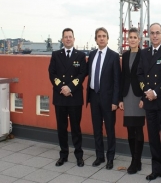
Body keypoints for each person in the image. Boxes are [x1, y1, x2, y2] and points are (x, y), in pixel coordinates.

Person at [137, 23, 161, 183]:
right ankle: (156, 170)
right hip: (150, 103)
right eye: (152, 33)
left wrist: (156, 92)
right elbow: (140, 74)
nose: (154, 36)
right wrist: (146, 91)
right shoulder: (144, 53)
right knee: (153, 139)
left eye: (157, 33)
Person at [48, 28, 86, 167]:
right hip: (60, 97)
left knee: (76, 128)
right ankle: (63, 155)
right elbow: (52, 74)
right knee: (61, 128)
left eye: (70, 37)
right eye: (66, 37)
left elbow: (82, 74)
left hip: (74, 97)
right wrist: (62, 88)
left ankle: (79, 156)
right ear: (62, 39)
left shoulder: (80, 56)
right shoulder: (56, 54)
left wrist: (70, 87)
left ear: (74, 39)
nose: (68, 39)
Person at [86, 27, 121, 170]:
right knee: (96, 128)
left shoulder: (114, 56)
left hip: (108, 99)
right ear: (96, 39)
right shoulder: (92, 54)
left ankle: (110, 158)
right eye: (99, 36)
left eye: (104, 36)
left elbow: (117, 81)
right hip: (94, 96)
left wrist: (115, 101)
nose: (101, 38)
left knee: (110, 129)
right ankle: (99, 156)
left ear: (107, 39)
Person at [119, 27, 145, 174]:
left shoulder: (143, 55)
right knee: (130, 129)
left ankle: (137, 161)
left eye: (135, 37)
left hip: (138, 96)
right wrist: (120, 98)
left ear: (139, 40)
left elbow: (145, 76)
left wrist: (144, 98)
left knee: (138, 129)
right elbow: (123, 77)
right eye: (131, 37)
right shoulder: (125, 55)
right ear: (127, 40)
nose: (133, 39)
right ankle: (134, 160)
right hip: (127, 96)